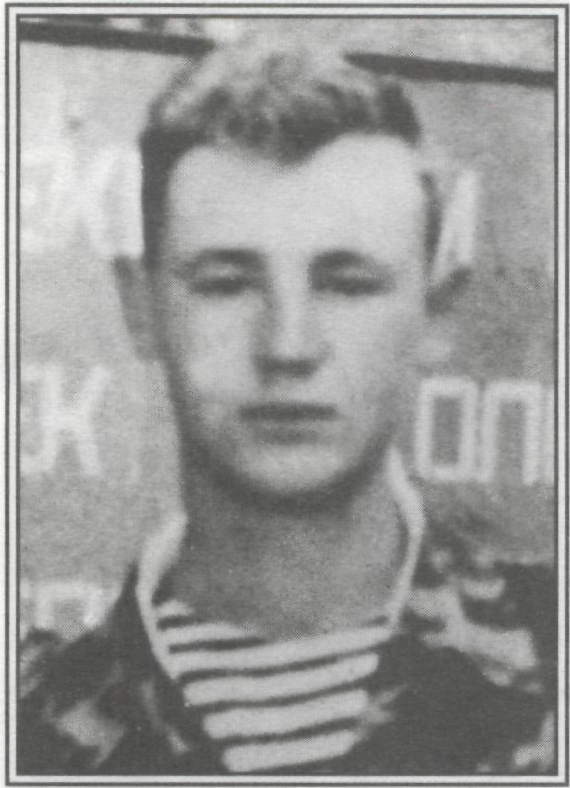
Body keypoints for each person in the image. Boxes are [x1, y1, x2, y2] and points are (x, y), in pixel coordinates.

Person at [18, 36, 555, 776]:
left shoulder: (551, 660)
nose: (288, 346)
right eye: (227, 283)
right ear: (141, 307)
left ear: (436, 310)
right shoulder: (30, 733)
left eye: (347, 283)